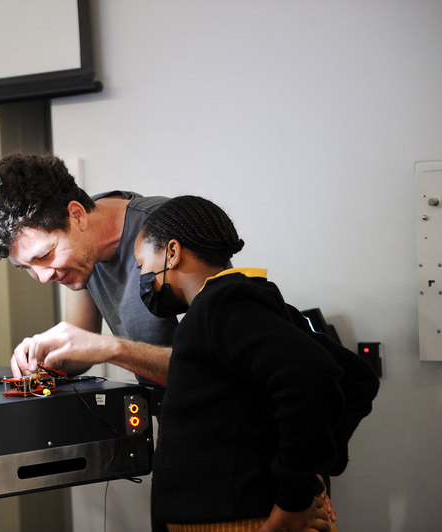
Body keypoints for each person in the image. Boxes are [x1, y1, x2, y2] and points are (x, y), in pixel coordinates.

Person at [133, 195, 379, 531]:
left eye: (141, 265)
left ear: (171, 253)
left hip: (241, 519)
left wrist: (294, 498)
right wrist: (312, 472)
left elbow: (311, 376)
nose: (142, 279)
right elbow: (356, 378)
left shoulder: (221, 304)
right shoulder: (249, 301)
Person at [0, 152, 176, 384]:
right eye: (25, 267)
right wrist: (45, 357)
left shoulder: (171, 227)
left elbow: (216, 362)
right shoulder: (81, 255)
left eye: (45, 255)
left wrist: (110, 348)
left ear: (77, 216)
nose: (43, 277)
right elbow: (81, 350)